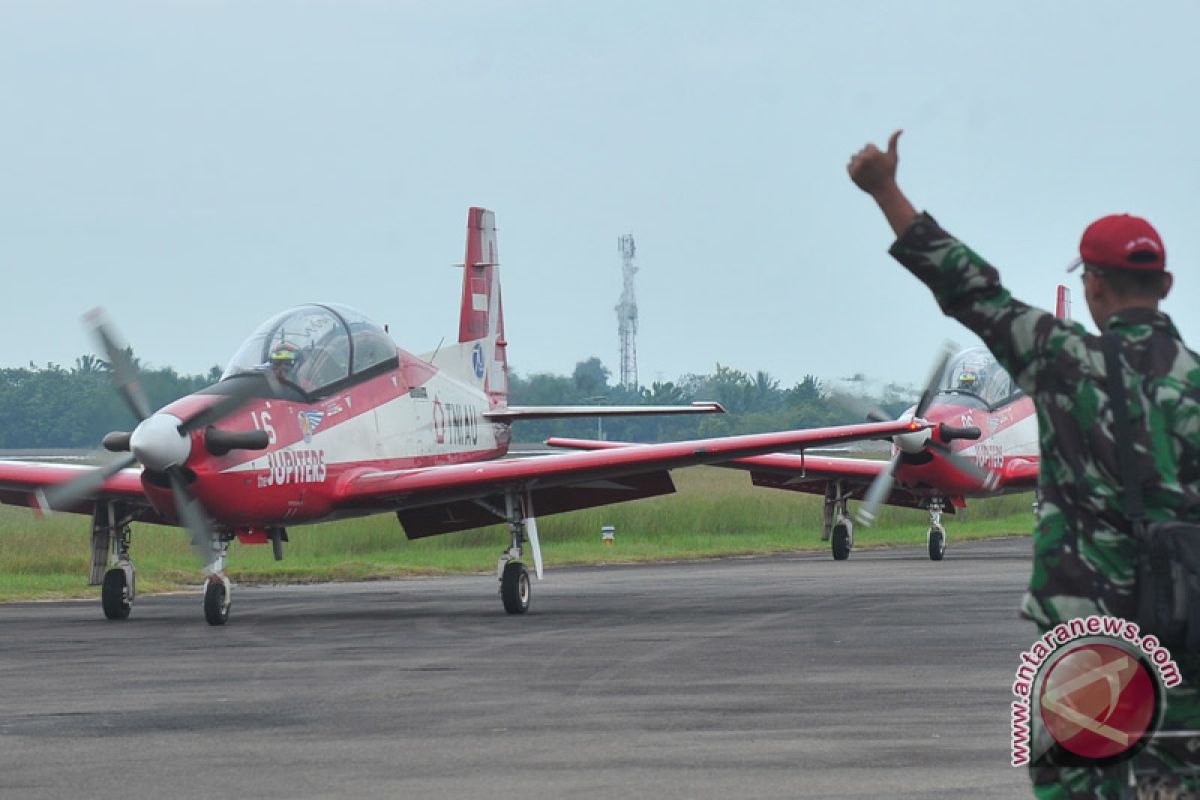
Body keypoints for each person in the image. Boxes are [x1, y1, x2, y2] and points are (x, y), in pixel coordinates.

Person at [848, 130, 1200, 797]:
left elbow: (968, 287)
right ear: (1168, 285)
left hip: (1084, 634)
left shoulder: (1063, 362)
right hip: (1188, 630)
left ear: (1092, 287)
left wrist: (884, 190)